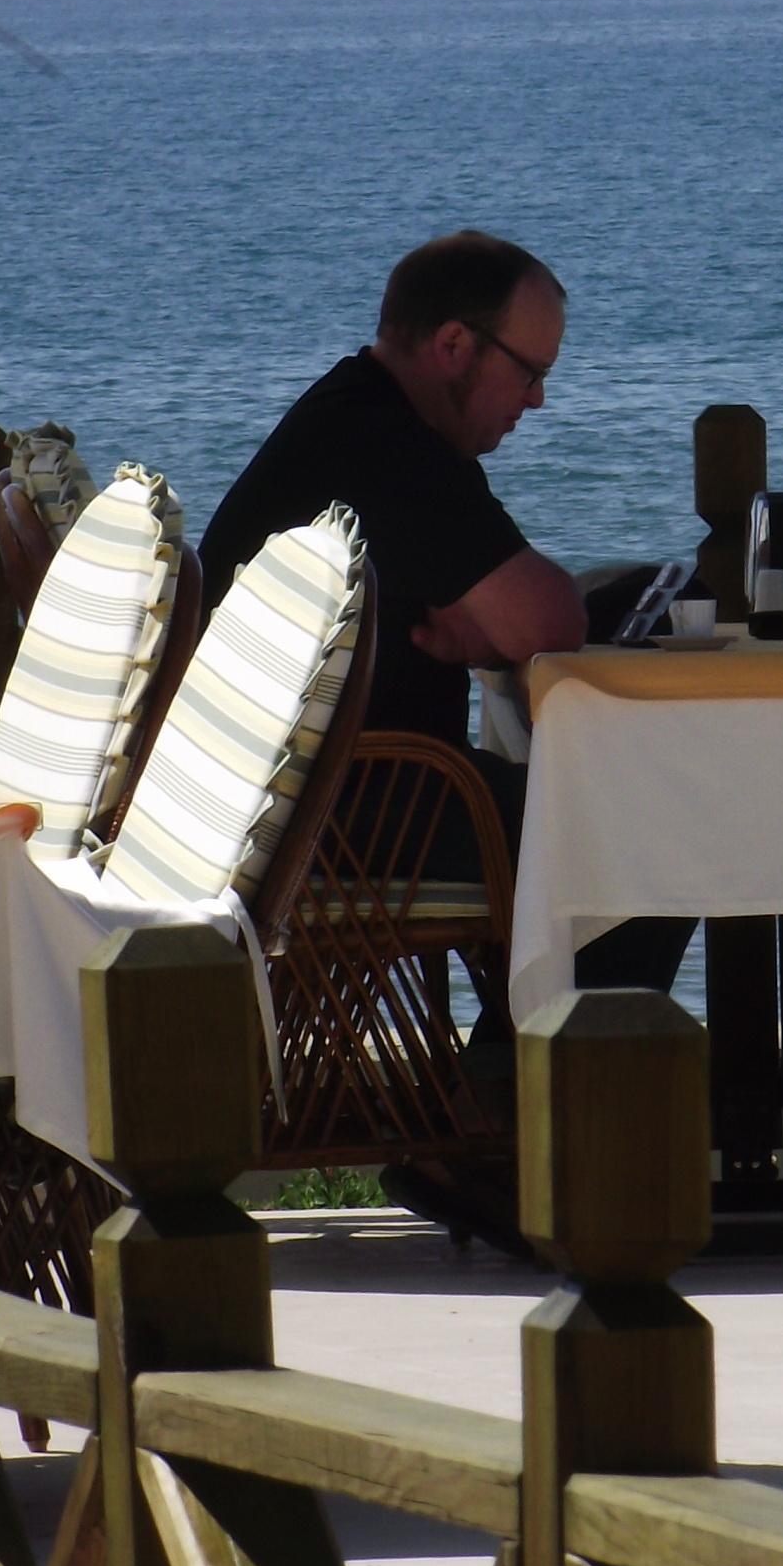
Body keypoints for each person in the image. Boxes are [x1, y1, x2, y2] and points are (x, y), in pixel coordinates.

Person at [201, 228, 693, 1000]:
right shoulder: (389, 445)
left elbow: (510, 612)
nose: (538, 399)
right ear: (455, 344)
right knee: (651, 831)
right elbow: (548, 622)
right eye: (529, 373)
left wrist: (481, 630)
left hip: (282, 803)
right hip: (353, 814)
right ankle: (553, 1091)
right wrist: (488, 632)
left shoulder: (356, 414)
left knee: (604, 815)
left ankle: (525, 1075)